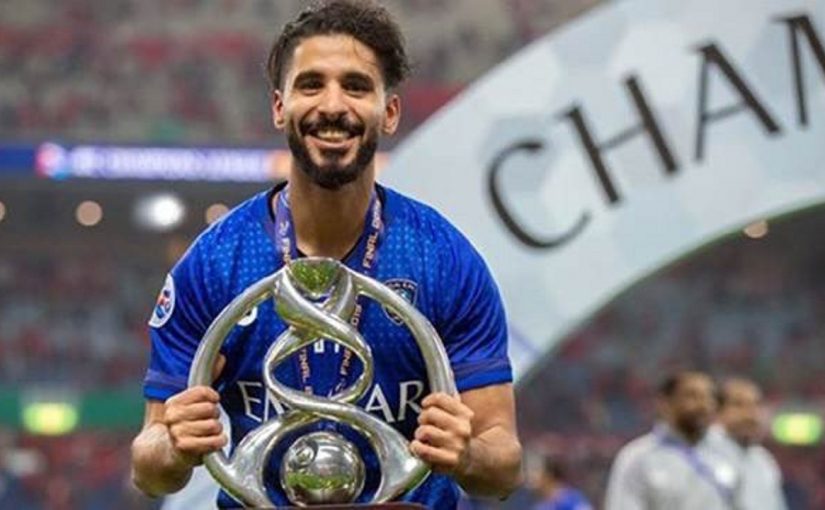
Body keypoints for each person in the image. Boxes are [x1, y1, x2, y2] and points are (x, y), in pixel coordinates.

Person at [129, 1, 523, 508]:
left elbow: (503, 467)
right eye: (311, 85)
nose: (333, 106)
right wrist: (172, 445)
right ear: (279, 107)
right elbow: (149, 471)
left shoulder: (444, 261)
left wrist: (467, 454)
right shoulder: (214, 264)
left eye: (356, 86)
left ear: (390, 112)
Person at [604, 370, 738, 510]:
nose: (703, 405)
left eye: (709, 397)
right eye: (692, 396)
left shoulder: (728, 452)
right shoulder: (637, 458)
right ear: (665, 402)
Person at [707, 377, 787, 510]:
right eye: (739, 405)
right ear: (717, 412)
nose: (750, 414)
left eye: (756, 405)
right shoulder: (701, 455)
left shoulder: (764, 461)